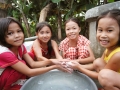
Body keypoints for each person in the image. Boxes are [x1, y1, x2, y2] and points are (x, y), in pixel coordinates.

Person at [0, 17, 69, 90]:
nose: (17, 36)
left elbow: (32, 63)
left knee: (27, 58)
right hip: (3, 78)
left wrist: (52, 61)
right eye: (10, 33)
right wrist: (54, 67)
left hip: (13, 74)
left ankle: (19, 82)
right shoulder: (5, 53)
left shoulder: (21, 46)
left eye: (19, 31)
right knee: (20, 66)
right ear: (2, 37)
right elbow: (29, 72)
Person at [68, 9, 120, 90]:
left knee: (104, 76)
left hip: (108, 77)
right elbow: (94, 65)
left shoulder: (118, 55)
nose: (103, 35)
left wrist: (79, 68)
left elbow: (100, 76)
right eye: (100, 30)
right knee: (98, 61)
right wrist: (76, 66)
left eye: (109, 30)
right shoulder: (109, 49)